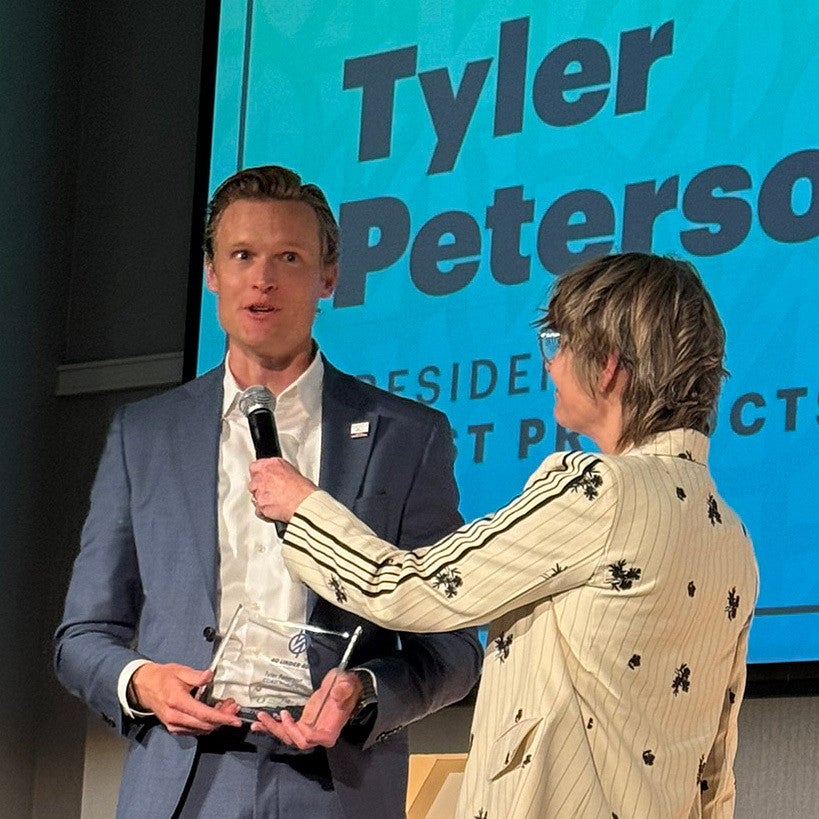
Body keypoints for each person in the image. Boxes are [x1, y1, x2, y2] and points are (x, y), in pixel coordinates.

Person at [249, 253, 759, 818]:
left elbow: (410, 586)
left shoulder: (598, 489)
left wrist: (303, 505)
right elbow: (716, 764)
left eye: (559, 345)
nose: (550, 365)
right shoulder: (732, 538)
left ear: (609, 367)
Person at [54, 165, 482, 818]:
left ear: (328, 277)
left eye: (289, 257)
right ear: (212, 273)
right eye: (242, 255)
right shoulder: (143, 435)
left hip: (335, 783)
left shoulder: (407, 436)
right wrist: (142, 681)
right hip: (181, 781)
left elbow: (452, 648)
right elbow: (82, 635)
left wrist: (364, 692)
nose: (263, 279)